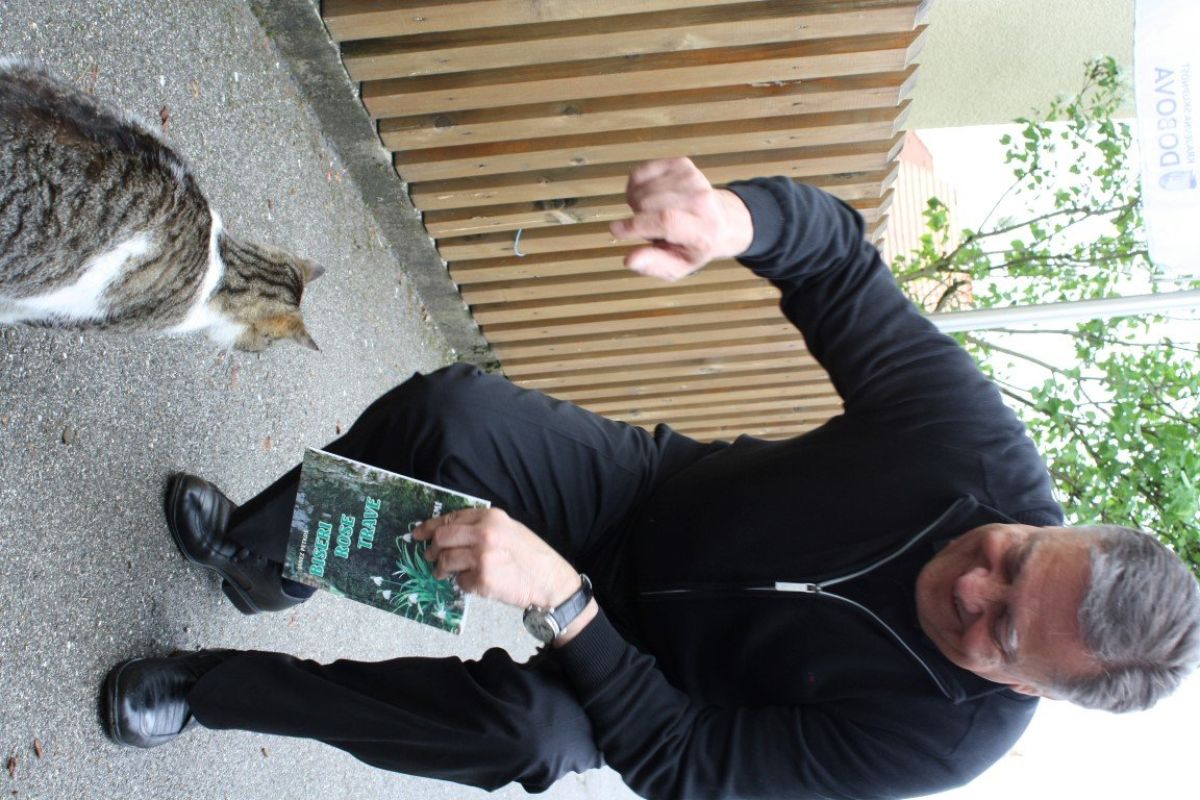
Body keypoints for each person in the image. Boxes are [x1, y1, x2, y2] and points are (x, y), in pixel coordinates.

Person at [103, 158, 1200, 800]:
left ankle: (208, 688)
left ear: (1027, 690)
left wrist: (564, 603)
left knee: (521, 736)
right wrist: (734, 222)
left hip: (649, 685)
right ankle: (263, 559)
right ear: (1059, 524)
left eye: (1002, 632)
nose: (973, 585)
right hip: (646, 498)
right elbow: (835, 260)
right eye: (1014, 557)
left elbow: (686, 765)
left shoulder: (944, 741)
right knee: (453, 416)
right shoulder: (977, 456)